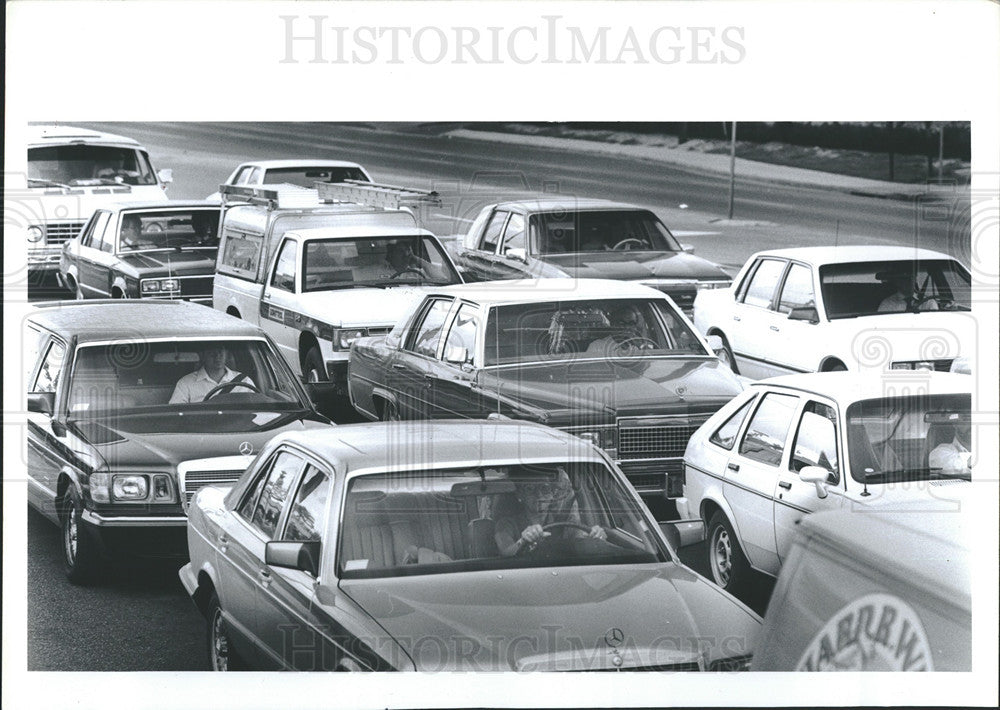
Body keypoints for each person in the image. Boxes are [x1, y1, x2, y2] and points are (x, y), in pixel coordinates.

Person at [494, 468, 606, 557]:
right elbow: (506, 552)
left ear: (553, 494)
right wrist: (523, 540)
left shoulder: (565, 521)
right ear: (519, 494)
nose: (539, 495)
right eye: (530, 489)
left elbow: (579, 539)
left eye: (545, 488)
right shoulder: (506, 523)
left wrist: (595, 535)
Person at [169, 344, 256, 403]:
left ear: (226, 354)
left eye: (221, 351)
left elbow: (256, 410)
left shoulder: (244, 381)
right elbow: (175, 414)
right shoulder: (186, 383)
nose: (217, 356)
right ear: (203, 356)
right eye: (212, 352)